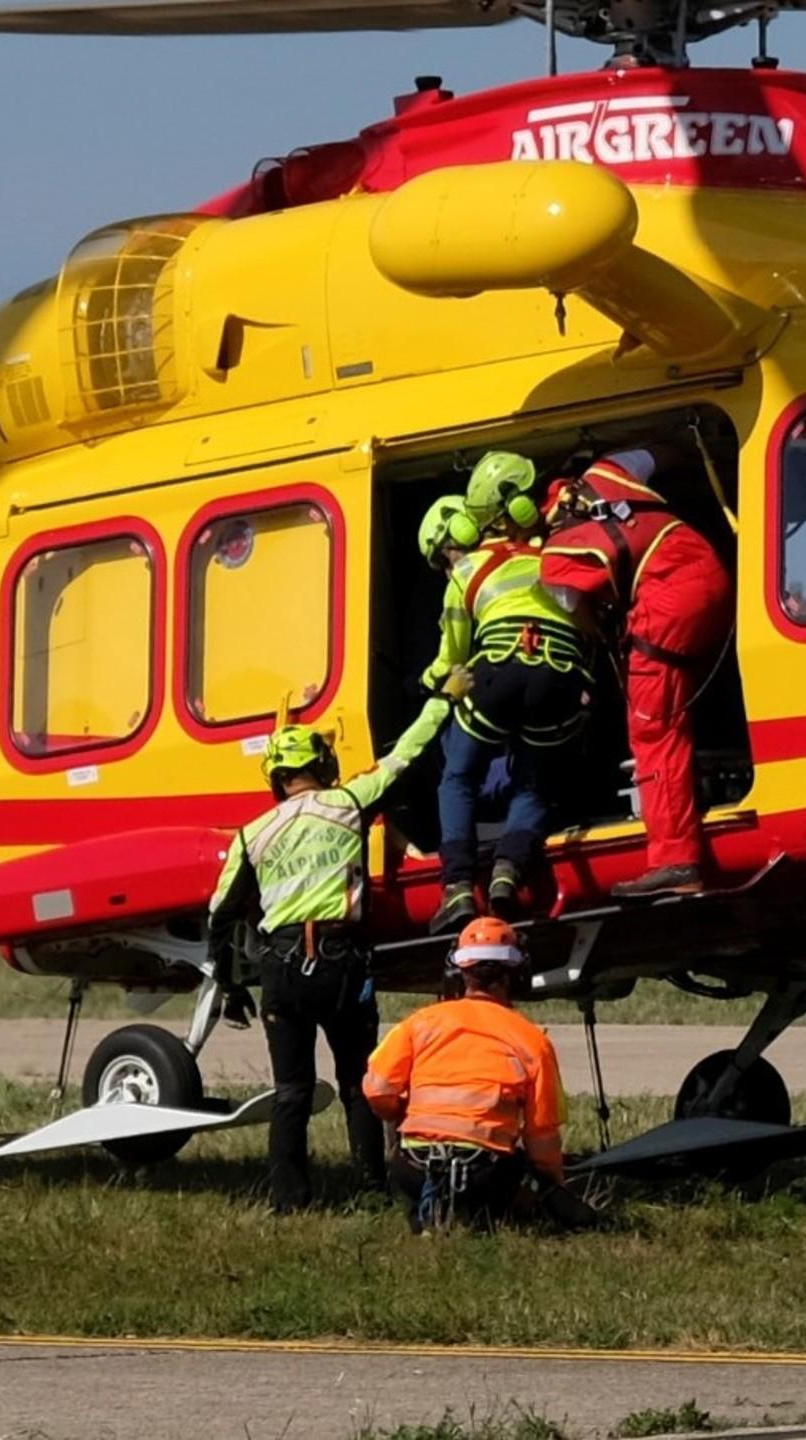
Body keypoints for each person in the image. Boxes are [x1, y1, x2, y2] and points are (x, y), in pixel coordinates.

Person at [207, 686, 462, 1214]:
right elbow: (405, 756)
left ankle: (288, 1201)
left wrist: (230, 984)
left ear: (275, 777)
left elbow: (220, 914)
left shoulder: (251, 834)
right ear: (321, 766)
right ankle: (371, 1188)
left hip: (280, 969)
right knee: (357, 1083)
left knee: (291, 1093)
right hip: (341, 962)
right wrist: (444, 700)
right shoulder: (347, 803)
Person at [527, 447, 732, 898]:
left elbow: (581, 617)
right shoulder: (610, 471)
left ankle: (676, 862)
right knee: (688, 700)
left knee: (652, 732)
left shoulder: (558, 553)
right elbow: (655, 452)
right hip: (711, 573)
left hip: (666, 606)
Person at [417, 493, 592, 933]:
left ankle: (457, 886)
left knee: (458, 778)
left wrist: (424, 684)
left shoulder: (465, 573)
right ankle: (508, 872)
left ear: (448, 544)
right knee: (535, 785)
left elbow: (453, 657)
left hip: (497, 674)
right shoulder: (551, 555)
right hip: (558, 676)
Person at [362, 916, 565, 1233]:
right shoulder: (532, 1041)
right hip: (486, 1176)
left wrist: (401, 1114)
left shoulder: (420, 1023)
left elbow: (376, 1089)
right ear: (516, 974)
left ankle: (432, 1215)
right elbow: (542, 1136)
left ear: (458, 972)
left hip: (413, 1169)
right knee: (519, 1172)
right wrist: (554, 1188)